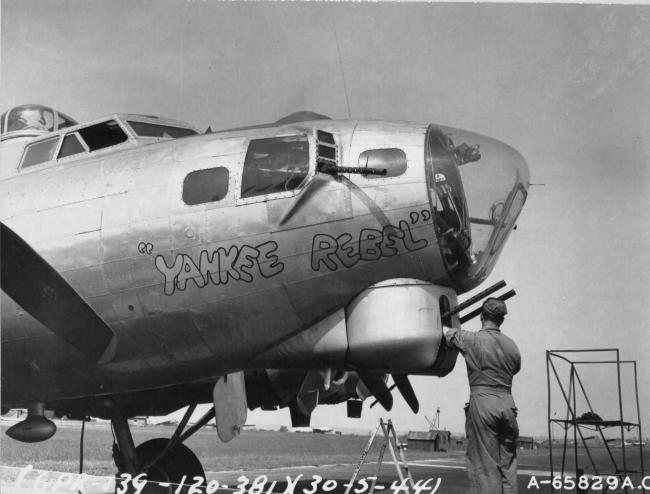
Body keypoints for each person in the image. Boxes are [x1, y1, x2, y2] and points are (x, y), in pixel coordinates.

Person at [443, 297, 521, 494]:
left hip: (483, 405)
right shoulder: (512, 346)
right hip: (508, 404)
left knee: (484, 468)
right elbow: (516, 368)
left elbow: (449, 334)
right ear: (501, 319)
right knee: (508, 466)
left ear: (481, 316)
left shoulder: (472, 340)